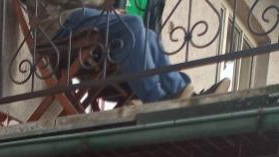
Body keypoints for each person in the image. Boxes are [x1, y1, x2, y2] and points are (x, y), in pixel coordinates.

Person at [28, 0, 230, 104]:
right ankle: (156, 99)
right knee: (132, 24)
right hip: (56, 26)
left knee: (149, 35)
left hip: (75, 21)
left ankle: (184, 92)